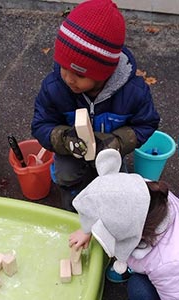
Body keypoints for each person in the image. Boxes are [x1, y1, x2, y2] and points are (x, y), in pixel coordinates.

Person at [31, 0, 160, 212]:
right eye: (64, 67)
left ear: (104, 72)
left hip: (109, 152)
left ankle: (108, 214)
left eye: (79, 74)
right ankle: (72, 206)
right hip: (71, 153)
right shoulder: (55, 87)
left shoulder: (134, 92)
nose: (69, 79)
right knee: (65, 175)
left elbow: (147, 124)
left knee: (117, 189)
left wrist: (118, 142)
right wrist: (64, 139)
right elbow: (41, 123)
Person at [69, 149, 179, 300]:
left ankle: (138, 274)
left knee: (138, 289)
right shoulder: (145, 190)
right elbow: (108, 198)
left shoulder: (168, 264)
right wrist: (87, 229)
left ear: (131, 236)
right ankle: (135, 268)